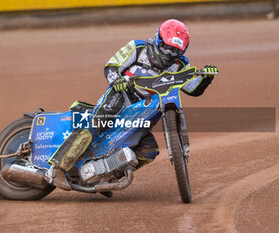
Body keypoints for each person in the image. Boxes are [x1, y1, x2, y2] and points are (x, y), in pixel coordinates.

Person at [47, 19, 218, 190]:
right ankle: (57, 169)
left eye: (175, 51)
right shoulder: (138, 48)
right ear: (158, 39)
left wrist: (206, 78)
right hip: (121, 95)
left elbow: (193, 89)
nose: (169, 54)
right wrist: (117, 81)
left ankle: (105, 176)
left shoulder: (180, 64)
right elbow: (111, 66)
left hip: (144, 107)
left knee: (148, 150)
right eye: (166, 47)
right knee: (97, 122)